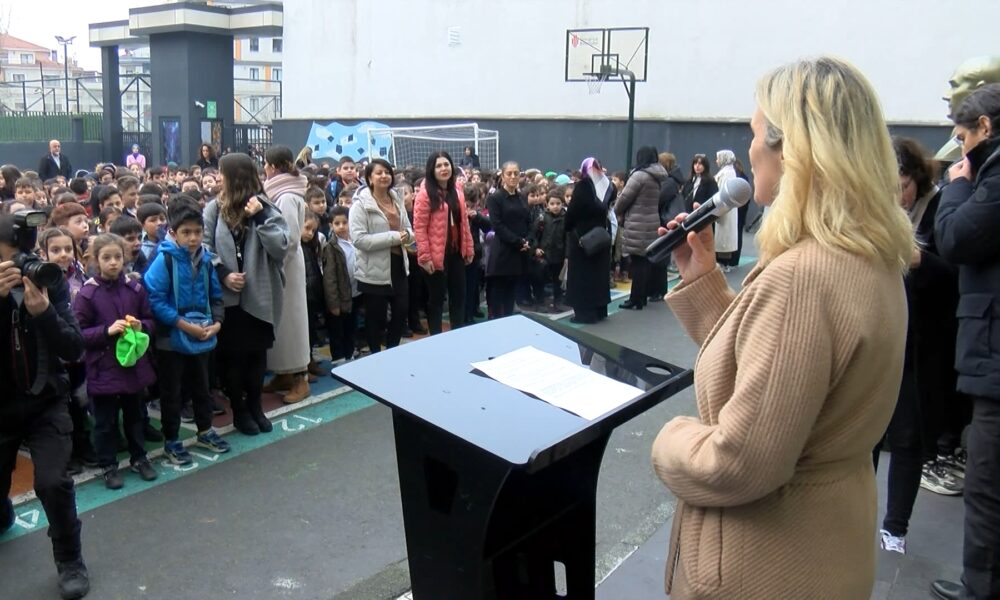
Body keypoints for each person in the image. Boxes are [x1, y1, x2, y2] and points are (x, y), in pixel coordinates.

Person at [651, 57, 913, 599]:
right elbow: (782, 376)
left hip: (763, 563)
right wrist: (704, 284)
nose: (749, 150)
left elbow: (740, 462)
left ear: (791, 149)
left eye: (754, 134)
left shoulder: (802, 277)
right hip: (826, 545)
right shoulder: (868, 256)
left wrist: (669, 440)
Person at [871, 137, 962, 557]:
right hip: (878, 337)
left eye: (903, 187)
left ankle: (895, 529)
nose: (898, 197)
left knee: (907, 436)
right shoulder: (875, 211)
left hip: (921, 345)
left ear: (918, 180)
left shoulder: (940, 207)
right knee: (866, 433)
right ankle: (858, 517)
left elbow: (960, 278)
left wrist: (922, 262)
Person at [931, 83, 1000, 600]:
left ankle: (980, 587)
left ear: (985, 127)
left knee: (987, 481)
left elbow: (954, 237)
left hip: (993, 352)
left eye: (962, 138)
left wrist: (957, 186)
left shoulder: (989, 176)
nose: (960, 151)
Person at [0, 214, 91, 599]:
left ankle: (70, 560)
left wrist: (44, 314)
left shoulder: (47, 284)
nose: (18, 265)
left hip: (46, 403)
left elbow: (74, 347)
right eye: (9, 257)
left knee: (53, 483)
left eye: (23, 255)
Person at [203, 153, 289, 434]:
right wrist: (223, 274)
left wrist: (260, 217)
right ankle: (240, 411)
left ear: (235, 176)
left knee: (256, 356)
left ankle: (256, 407)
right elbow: (204, 246)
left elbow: (281, 248)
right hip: (228, 298)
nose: (218, 178)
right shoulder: (214, 209)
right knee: (233, 358)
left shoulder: (265, 206)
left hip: (259, 293)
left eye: (222, 173)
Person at [144, 195, 230, 464]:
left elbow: (216, 296)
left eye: (197, 232)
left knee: (202, 387)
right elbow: (155, 300)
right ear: (173, 232)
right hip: (171, 338)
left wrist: (217, 323)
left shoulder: (205, 259)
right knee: (172, 392)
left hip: (202, 333)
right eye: (186, 232)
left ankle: (205, 430)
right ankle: (172, 440)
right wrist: (183, 324)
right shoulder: (165, 260)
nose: (193, 238)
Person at [72, 234, 158, 490]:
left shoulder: (135, 289)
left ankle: (139, 458)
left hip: (132, 366)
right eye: (106, 257)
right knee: (104, 422)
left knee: (135, 417)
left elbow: (151, 320)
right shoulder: (88, 294)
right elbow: (78, 334)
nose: (113, 262)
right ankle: (108, 466)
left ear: (125, 258)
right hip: (102, 368)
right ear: (96, 260)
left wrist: (142, 326)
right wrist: (106, 331)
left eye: (117, 257)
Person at [260, 146, 311, 404]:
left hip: (286, 265)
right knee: (282, 323)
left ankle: (301, 378)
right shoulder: (282, 191)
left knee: (293, 323)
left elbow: (288, 239)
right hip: (282, 264)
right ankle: (284, 373)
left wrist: (277, 264)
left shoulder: (287, 196)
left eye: (266, 164)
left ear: (272, 166)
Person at [349, 158, 412, 353]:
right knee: (375, 318)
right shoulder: (360, 205)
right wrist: (395, 237)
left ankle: (392, 351)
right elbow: (359, 239)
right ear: (369, 178)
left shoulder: (397, 199)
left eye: (387, 172)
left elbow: (408, 228)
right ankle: (375, 354)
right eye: (378, 173)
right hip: (373, 270)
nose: (384, 176)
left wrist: (408, 235)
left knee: (401, 312)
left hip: (398, 265)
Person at [413, 151, 475, 334]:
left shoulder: (457, 190)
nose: (443, 168)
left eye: (446, 164)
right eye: (438, 165)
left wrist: (469, 248)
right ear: (431, 170)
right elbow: (419, 228)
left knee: (459, 297)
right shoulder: (425, 194)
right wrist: (425, 257)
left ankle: (458, 336)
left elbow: (464, 223)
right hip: (435, 256)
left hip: (456, 253)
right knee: (436, 300)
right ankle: (436, 338)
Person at [614, 146, 667, 310]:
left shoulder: (639, 176)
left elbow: (624, 198)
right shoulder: (657, 175)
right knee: (644, 261)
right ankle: (642, 297)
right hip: (651, 222)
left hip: (637, 223)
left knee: (637, 263)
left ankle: (635, 299)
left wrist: (616, 210)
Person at [565, 157, 615, 324]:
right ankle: (600, 310)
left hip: (583, 238)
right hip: (601, 235)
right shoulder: (608, 186)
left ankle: (585, 314)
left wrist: (568, 227)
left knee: (582, 276)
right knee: (599, 275)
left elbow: (572, 213)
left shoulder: (583, 187)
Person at [486, 161, 530, 318]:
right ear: (503, 176)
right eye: (509, 173)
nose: (513, 176)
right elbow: (497, 226)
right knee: (499, 294)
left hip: (519, 252)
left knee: (511, 293)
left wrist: (527, 240)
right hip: (503, 252)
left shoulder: (522, 197)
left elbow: (528, 221)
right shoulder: (495, 198)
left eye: (516, 173)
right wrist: (518, 241)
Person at [323, 205, 358, 364]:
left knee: (351, 326)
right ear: (331, 225)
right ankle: (338, 357)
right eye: (337, 223)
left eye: (345, 222)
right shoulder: (331, 247)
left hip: (354, 293)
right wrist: (333, 303)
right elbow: (329, 278)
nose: (342, 226)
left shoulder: (354, 241)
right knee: (337, 329)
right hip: (339, 297)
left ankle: (349, 354)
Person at [532, 190, 567, 312]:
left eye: (558, 203)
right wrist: (536, 248)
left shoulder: (566, 219)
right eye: (552, 204)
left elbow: (568, 238)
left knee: (558, 280)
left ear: (562, 204)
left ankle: (558, 301)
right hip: (543, 254)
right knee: (540, 279)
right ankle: (540, 302)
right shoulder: (542, 218)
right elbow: (533, 235)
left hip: (559, 255)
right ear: (547, 204)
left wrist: (567, 255)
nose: (555, 206)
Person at [713, 150, 740, 271]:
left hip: (725, 209)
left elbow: (721, 191)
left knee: (724, 236)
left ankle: (723, 263)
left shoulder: (727, 173)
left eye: (718, 158)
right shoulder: (727, 172)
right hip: (725, 209)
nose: (716, 161)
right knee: (723, 236)